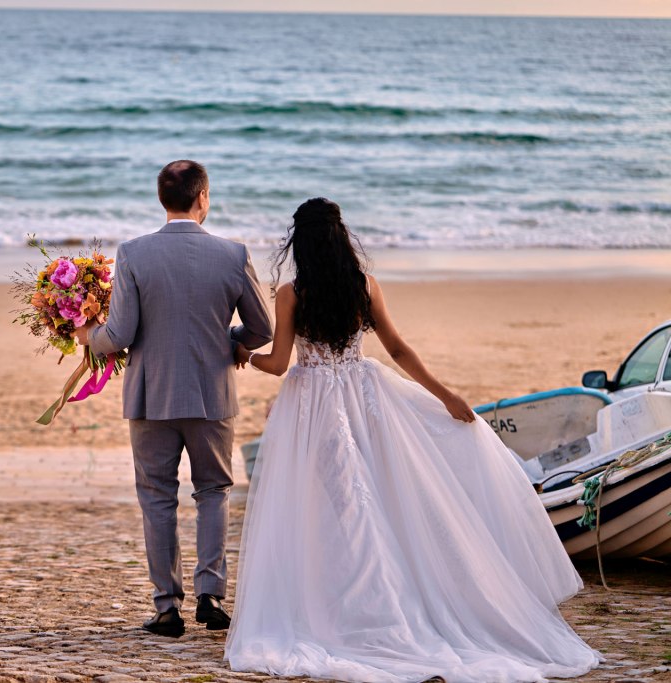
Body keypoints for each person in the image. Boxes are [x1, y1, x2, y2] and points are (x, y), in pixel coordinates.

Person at [224, 197, 600, 682]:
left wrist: (241, 354)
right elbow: (399, 348)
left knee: (331, 506)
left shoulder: (292, 293)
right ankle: (382, 600)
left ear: (300, 241)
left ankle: (348, 605)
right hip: (364, 396)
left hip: (313, 406)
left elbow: (277, 365)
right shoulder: (363, 286)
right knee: (374, 498)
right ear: (341, 237)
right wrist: (447, 396)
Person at [74, 160, 273, 638]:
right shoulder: (232, 254)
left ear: (162, 199)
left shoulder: (135, 253)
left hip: (151, 395)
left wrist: (86, 334)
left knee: (157, 499)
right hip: (211, 393)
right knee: (213, 492)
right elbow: (264, 328)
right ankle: (211, 595)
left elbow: (118, 334)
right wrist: (230, 342)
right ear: (202, 197)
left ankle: (167, 609)